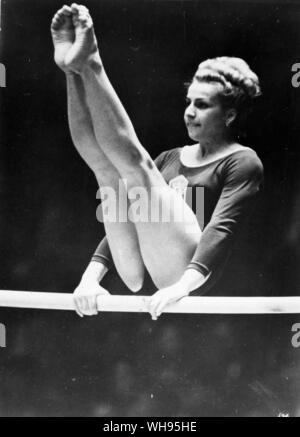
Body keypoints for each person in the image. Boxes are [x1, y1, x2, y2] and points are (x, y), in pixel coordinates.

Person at [51, 4, 264, 320]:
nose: (189, 111)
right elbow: (129, 218)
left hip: (191, 275)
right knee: (108, 172)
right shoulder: (171, 158)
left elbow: (221, 229)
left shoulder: (242, 162)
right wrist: (89, 280)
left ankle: (92, 63)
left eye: (202, 105)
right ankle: (74, 71)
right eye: (188, 101)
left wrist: (183, 286)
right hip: (142, 266)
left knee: (137, 167)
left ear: (230, 115)